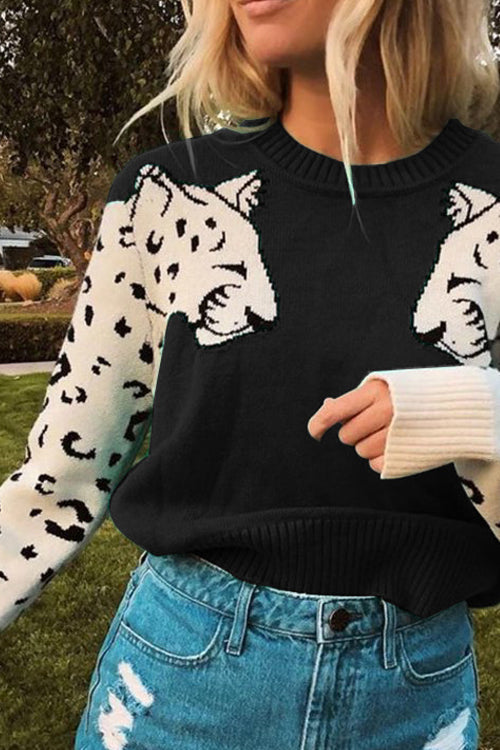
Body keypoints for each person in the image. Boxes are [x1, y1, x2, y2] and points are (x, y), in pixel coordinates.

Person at [1, 0, 500, 747]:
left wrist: (473, 410)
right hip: (177, 682)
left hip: (414, 697)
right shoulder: (164, 198)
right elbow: (59, 478)